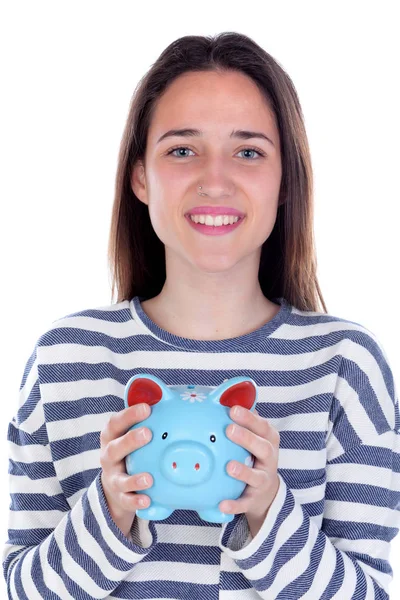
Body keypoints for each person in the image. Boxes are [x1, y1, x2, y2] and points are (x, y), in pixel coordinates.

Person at [2, 31, 399, 600]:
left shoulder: (344, 368)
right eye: (182, 150)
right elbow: (22, 589)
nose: (216, 180)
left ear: (285, 179)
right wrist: (110, 512)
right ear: (141, 176)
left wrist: (267, 514)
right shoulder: (66, 360)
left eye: (249, 151)